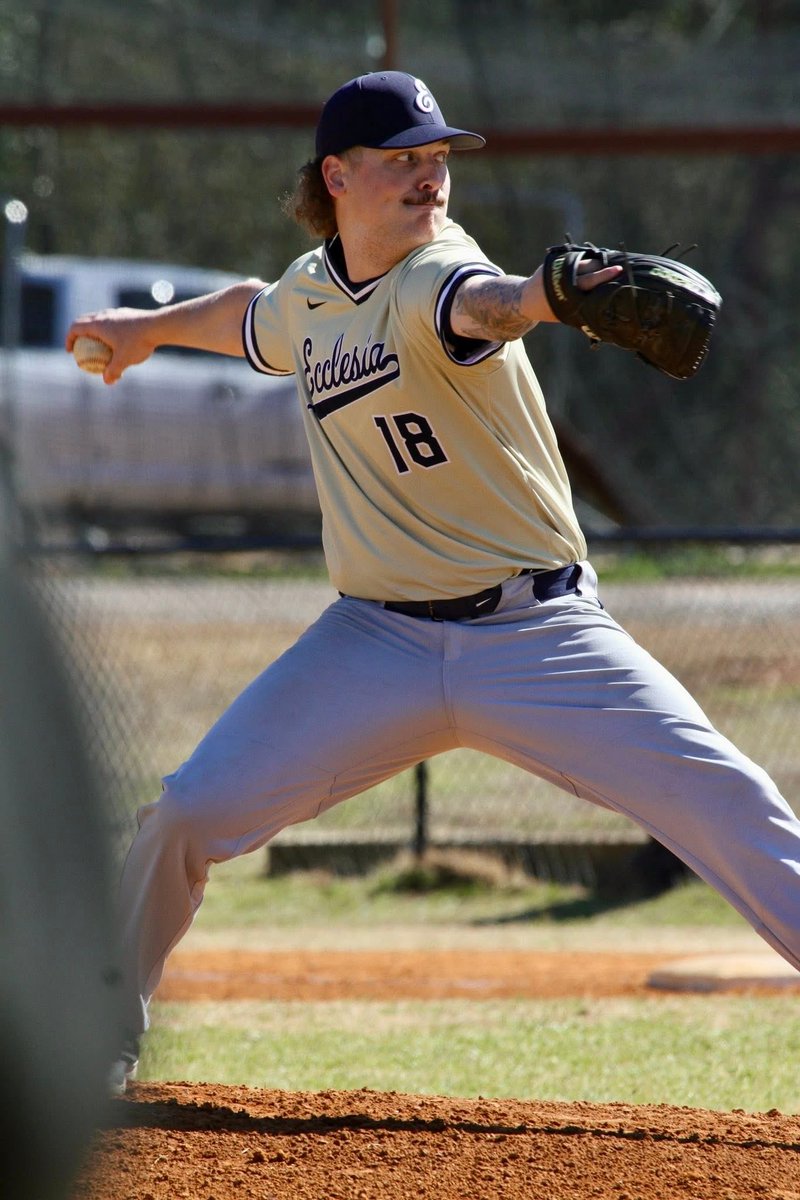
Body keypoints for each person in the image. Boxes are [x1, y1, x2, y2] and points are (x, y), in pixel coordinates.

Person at [67, 71, 800, 1094]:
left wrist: (556, 295)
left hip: (539, 639)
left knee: (728, 804)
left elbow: (492, 305)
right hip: (372, 646)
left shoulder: (434, 276)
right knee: (185, 814)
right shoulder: (314, 295)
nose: (428, 176)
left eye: (436, 157)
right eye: (403, 157)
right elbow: (257, 314)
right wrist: (147, 331)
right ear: (338, 175)